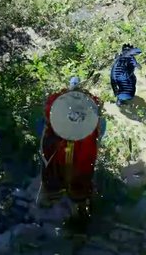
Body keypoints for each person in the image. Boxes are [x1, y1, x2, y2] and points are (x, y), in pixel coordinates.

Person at [35, 77, 106, 230]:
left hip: (82, 148)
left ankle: (79, 208)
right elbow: (50, 115)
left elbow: (98, 123)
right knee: (58, 170)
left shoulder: (90, 104)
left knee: (79, 174)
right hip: (62, 146)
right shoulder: (57, 100)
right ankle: (59, 198)